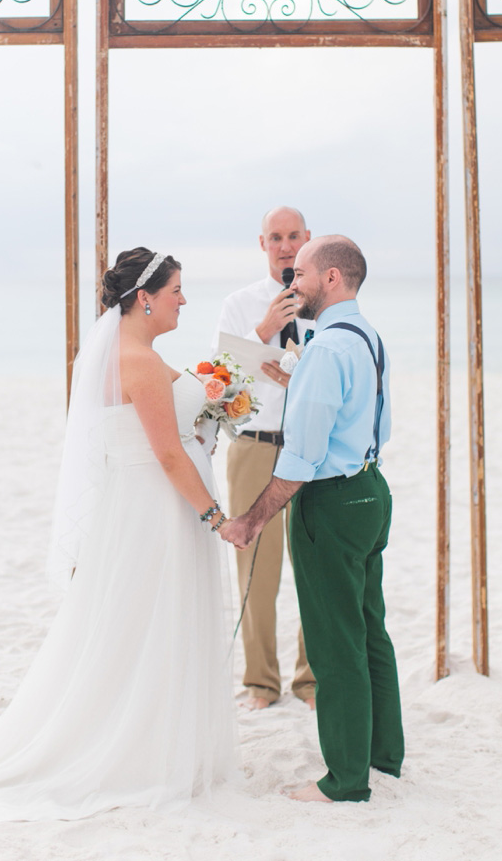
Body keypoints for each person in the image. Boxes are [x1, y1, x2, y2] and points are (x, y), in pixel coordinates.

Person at [0, 248, 236, 822]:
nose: (183, 300)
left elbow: (188, 404)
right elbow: (166, 454)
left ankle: (151, 736)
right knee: (147, 623)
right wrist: (218, 517)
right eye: (176, 291)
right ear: (145, 298)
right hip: (152, 509)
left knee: (143, 625)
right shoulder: (136, 360)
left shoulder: (138, 353)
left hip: (145, 507)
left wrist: (231, 375)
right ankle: (137, 750)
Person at [221, 235, 404, 803]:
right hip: (372, 490)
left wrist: (251, 519)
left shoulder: (324, 349)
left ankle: (345, 780)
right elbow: (369, 417)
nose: (291, 281)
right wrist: (296, 380)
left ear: (330, 278)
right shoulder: (365, 336)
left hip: (331, 503)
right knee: (370, 629)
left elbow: (299, 460)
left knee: (334, 643)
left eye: (299, 273)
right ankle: (383, 756)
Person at [213, 206, 316, 710]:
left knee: (314, 567)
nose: (285, 246)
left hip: (309, 448)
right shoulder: (240, 304)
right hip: (255, 446)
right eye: (276, 237)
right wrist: (263, 329)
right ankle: (260, 682)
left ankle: (311, 681)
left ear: (308, 238)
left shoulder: (327, 302)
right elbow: (221, 382)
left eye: (294, 236)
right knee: (255, 568)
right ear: (263, 244)